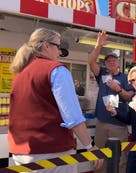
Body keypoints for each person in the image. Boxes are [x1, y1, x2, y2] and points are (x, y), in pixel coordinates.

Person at [8, 28, 103, 173]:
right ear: (46, 45)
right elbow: (73, 116)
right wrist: (90, 146)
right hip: (52, 152)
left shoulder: (19, 74)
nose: (59, 52)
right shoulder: (56, 70)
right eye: (58, 47)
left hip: (20, 152)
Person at [88, 31, 134, 173]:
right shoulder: (102, 74)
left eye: (114, 60)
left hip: (119, 125)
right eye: (108, 61)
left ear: (118, 63)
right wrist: (98, 45)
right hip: (102, 124)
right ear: (106, 64)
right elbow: (91, 62)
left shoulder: (126, 77)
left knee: (119, 158)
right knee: (99, 156)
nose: (111, 62)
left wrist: (118, 89)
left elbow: (129, 97)